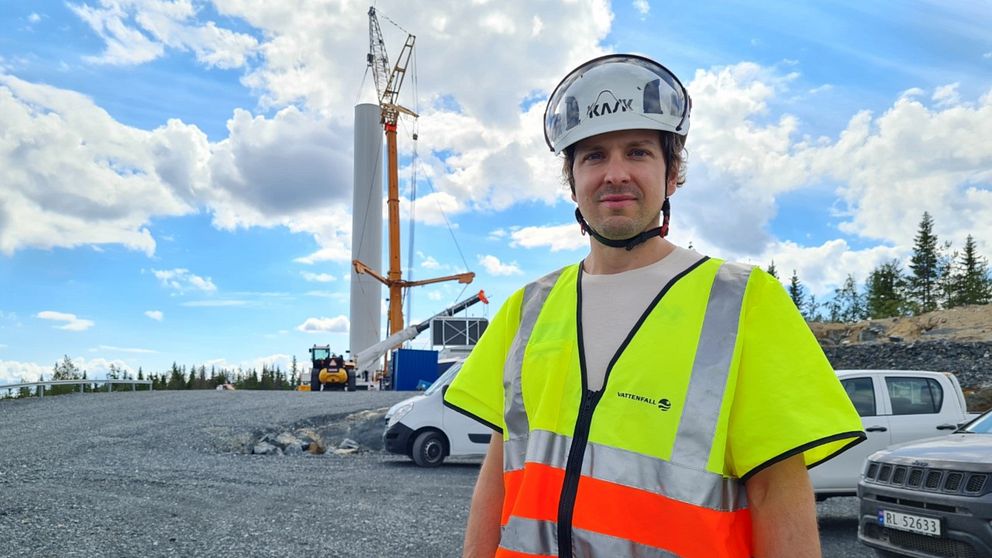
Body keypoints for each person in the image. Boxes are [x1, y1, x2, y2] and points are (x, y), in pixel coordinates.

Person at [443, 53, 866, 558]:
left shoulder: (743, 301)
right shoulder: (527, 308)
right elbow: (499, 475)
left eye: (639, 152)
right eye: (594, 156)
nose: (615, 174)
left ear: (672, 174)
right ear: (572, 179)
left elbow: (779, 490)